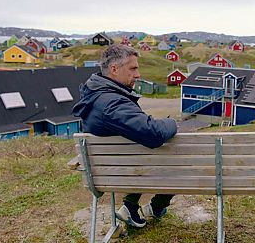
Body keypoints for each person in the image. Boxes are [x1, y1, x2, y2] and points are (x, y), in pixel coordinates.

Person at [72, 44, 178, 228]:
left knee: (148, 150)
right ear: (114, 69)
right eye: (133, 68)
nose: (138, 74)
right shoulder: (112, 104)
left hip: (117, 167)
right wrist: (174, 123)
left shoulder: (99, 96)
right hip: (121, 171)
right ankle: (156, 207)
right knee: (177, 156)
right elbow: (153, 134)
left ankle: (132, 207)